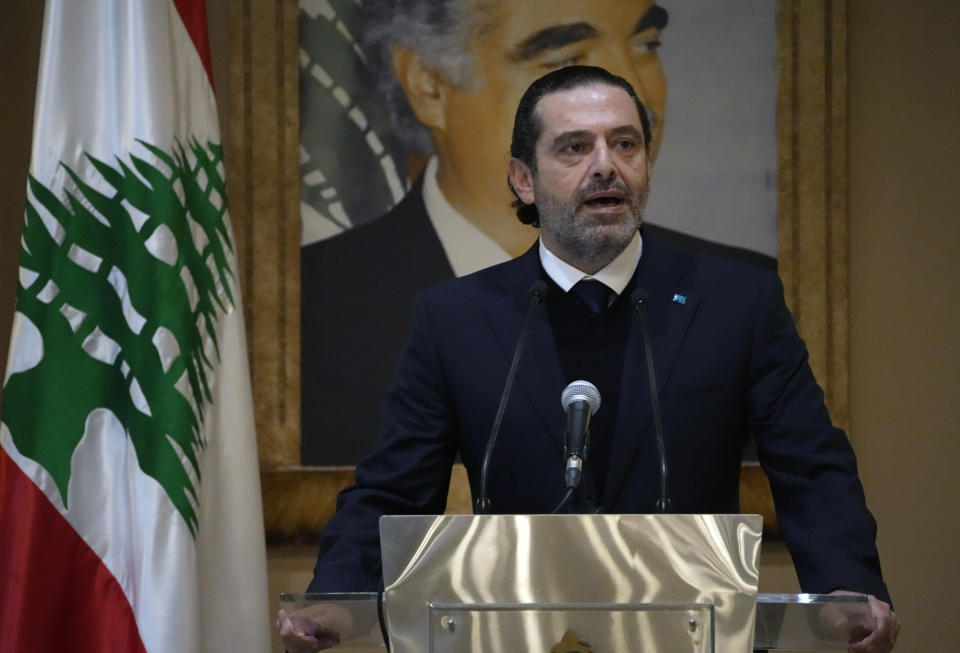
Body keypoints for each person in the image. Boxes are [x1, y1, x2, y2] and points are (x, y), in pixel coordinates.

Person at [283, 66, 900, 652]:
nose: (606, 166)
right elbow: (393, 487)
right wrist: (339, 596)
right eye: (574, 148)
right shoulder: (457, 318)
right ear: (523, 179)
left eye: (625, 144)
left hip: (695, 633)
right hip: (512, 634)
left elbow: (810, 467)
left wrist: (846, 583)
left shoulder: (736, 302)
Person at [300, 0, 772, 464]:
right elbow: (386, 501)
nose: (632, 92)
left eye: (646, 44)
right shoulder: (314, 302)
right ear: (429, 85)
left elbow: (809, 479)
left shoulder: (737, 294)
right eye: (566, 59)